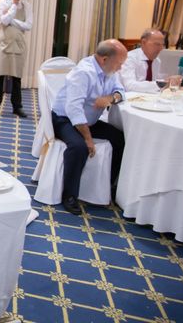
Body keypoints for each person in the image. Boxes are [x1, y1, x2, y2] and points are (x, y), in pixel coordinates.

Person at [51, 39, 127, 215]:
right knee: (79, 147)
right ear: (104, 59)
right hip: (65, 119)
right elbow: (73, 109)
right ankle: (69, 195)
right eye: (119, 63)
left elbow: (121, 91)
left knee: (120, 139)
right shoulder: (84, 73)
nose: (120, 68)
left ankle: (109, 185)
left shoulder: (109, 70)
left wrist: (111, 98)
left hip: (89, 120)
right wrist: (87, 138)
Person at [0, 0, 33, 118]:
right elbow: (4, 21)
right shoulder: (3, 3)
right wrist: (13, 6)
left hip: (19, 44)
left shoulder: (27, 6)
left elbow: (28, 25)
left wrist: (11, 21)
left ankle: (17, 107)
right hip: (4, 44)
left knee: (16, 77)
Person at [119, 28, 165, 93]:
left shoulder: (157, 61)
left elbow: (156, 82)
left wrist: (168, 81)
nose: (160, 49)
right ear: (143, 42)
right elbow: (129, 86)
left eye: (162, 45)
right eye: (157, 44)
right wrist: (159, 84)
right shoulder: (129, 58)